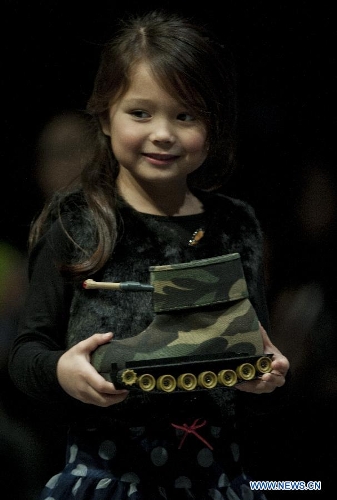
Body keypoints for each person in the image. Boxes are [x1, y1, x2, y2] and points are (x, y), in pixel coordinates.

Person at [8, 9, 289, 500]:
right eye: (140, 113)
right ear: (104, 115)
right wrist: (61, 372)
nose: (163, 133)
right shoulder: (76, 222)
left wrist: (267, 376)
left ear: (213, 123)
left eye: (186, 115)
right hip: (108, 478)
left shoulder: (235, 225)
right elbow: (26, 354)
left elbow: (255, 356)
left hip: (216, 479)